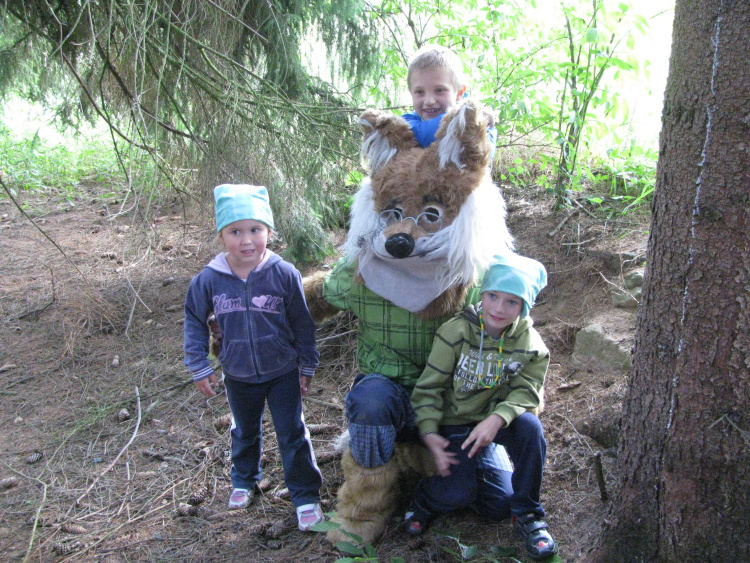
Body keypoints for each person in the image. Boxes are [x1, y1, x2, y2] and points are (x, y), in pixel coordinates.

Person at [183, 184, 324, 532]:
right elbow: (194, 321)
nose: (246, 240)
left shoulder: (284, 273)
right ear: (221, 235)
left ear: (269, 232)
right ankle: (245, 478)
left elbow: (302, 322)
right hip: (238, 373)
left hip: (283, 371)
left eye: (255, 230)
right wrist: (198, 365)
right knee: (244, 430)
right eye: (235, 232)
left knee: (292, 432)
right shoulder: (209, 280)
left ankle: (305, 495)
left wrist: (307, 363)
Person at [408, 252, 558, 561]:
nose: (499, 308)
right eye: (492, 296)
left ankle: (528, 512)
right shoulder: (455, 332)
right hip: (455, 423)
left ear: (524, 306)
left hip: (491, 424)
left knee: (502, 497)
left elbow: (528, 390)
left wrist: (498, 418)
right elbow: (429, 388)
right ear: (482, 293)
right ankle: (425, 497)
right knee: (457, 495)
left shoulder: (529, 343)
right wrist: (429, 432)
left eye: (512, 302)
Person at [401, 44, 497, 152]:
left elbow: (486, 151)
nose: (429, 101)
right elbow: (424, 134)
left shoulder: (473, 117)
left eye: (439, 90)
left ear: (459, 93)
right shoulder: (407, 122)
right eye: (419, 92)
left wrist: (482, 121)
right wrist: (467, 118)